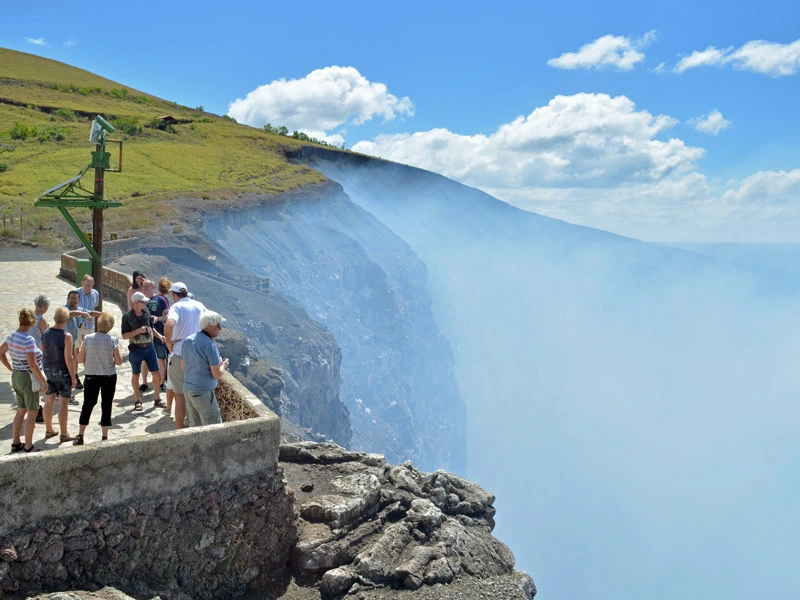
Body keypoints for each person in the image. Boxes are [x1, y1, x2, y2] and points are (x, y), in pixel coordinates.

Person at [0, 308, 48, 453]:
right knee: (32, 413)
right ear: (32, 322)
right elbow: (32, 365)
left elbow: (1, 352)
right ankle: (28, 446)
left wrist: (11, 368)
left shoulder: (12, 336)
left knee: (21, 410)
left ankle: (16, 443)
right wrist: (43, 381)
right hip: (28, 378)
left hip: (17, 376)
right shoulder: (28, 340)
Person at [74, 312, 122, 445]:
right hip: (108, 376)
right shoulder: (112, 340)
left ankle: (80, 434)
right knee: (107, 404)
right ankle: (104, 436)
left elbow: (80, 359)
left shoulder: (88, 339)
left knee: (88, 404)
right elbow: (118, 361)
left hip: (91, 375)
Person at [164, 282, 206, 429]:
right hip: (197, 355)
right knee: (195, 392)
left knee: (180, 395)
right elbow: (212, 322)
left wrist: (169, 343)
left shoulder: (176, 307)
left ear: (174, 295)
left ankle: (180, 429)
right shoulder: (199, 305)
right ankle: (194, 425)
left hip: (179, 354)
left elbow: (169, 325)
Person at [181, 311, 229, 426]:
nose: (220, 329)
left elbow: (183, 367)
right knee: (213, 427)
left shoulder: (187, 340)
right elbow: (217, 374)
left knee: (195, 427)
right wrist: (223, 365)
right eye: (218, 325)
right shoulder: (210, 345)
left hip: (188, 390)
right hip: (203, 392)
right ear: (208, 325)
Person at [121, 291, 164, 411]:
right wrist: (139, 331)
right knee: (136, 374)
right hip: (136, 349)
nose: (145, 304)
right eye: (143, 302)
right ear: (135, 303)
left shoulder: (146, 313)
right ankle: (137, 400)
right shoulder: (127, 317)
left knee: (156, 373)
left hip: (149, 347)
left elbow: (151, 328)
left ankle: (157, 398)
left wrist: (159, 336)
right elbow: (124, 335)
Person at [41, 306, 76, 442]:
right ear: (67, 320)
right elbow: (69, 358)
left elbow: (41, 352)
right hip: (62, 371)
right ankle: (64, 433)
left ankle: (49, 429)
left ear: (54, 318)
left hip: (48, 370)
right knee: (63, 403)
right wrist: (73, 376)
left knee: (48, 401)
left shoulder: (46, 333)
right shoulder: (66, 336)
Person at [64, 290, 99, 391]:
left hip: (74, 340)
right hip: (65, 341)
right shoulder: (64, 309)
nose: (73, 300)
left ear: (78, 300)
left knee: (74, 358)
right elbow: (69, 314)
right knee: (67, 360)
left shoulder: (79, 309)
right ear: (68, 299)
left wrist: (102, 314)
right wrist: (84, 314)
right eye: (71, 298)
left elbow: (90, 312)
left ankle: (74, 378)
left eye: (75, 298)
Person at [143, 279, 169, 396]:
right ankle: (144, 382)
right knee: (144, 360)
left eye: (147, 286)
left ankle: (162, 382)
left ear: (153, 287)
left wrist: (158, 318)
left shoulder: (160, 300)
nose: (144, 288)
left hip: (159, 332)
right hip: (145, 334)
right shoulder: (141, 300)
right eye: (143, 286)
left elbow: (167, 316)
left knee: (161, 358)